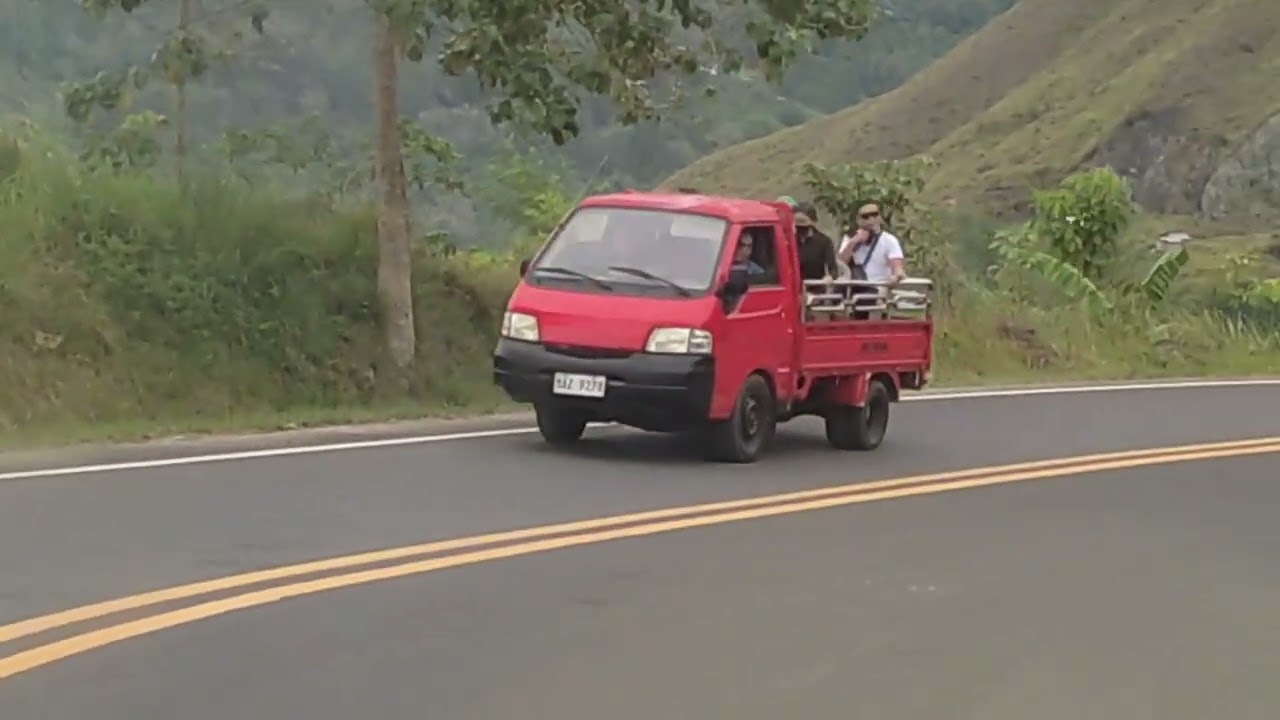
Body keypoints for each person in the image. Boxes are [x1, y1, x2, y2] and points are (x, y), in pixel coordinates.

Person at [837, 202, 905, 285]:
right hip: (855, 284)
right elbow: (840, 263)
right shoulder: (850, 237)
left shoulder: (889, 240)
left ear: (879, 218)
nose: (871, 219)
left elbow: (897, 266)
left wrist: (896, 276)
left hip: (879, 285)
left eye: (874, 215)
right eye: (866, 217)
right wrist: (853, 242)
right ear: (859, 220)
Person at [794, 210, 837, 281]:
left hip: (817, 287)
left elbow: (833, 269)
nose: (801, 232)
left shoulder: (824, 241)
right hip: (797, 288)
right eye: (798, 229)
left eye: (803, 229)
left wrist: (829, 278)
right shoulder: (791, 241)